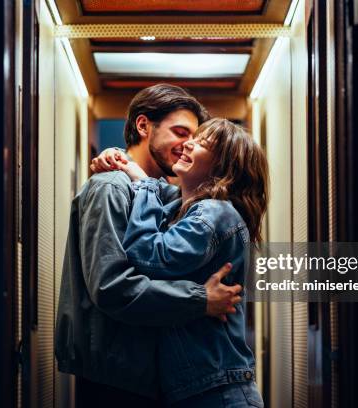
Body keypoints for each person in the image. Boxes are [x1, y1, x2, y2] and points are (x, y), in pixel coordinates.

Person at [54, 85, 244, 408]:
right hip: (116, 379)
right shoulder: (110, 188)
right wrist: (200, 300)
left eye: (195, 139)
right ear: (143, 126)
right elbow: (111, 286)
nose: (188, 145)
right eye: (181, 132)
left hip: (147, 377)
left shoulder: (164, 195)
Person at [100, 118, 269, 407]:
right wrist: (123, 162)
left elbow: (147, 255)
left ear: (224, 170)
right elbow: (158, 199)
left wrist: (145, 188)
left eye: (204, 143)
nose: (189, 143)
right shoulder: (186, 209)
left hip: (218, 393)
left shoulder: (214, 214)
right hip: (203, 389)